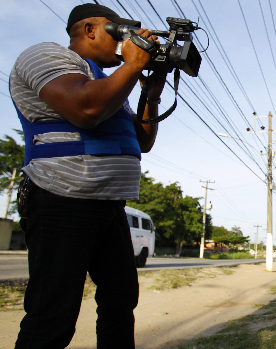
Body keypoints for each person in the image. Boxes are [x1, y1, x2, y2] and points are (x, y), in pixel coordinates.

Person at [10, 4, 167, 348]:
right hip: (60, 197)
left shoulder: (110, 82)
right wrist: (132, 64)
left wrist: (149, 92)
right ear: (91, 29)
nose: (127, 42)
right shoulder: (45, 55)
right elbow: (85, 110)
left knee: (120, 304)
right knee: (52, 315)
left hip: (108, 205)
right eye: (120, 32)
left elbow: (143, 141)